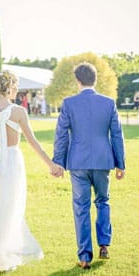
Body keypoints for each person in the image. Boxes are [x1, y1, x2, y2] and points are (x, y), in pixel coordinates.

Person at [0, 70, 61, 275]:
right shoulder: (19, 111)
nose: (17, 90)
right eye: (16, 86)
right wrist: (51, 164)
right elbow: (32, 141)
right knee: (10, 207)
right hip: (12, 162)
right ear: (10, 87)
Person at [52, 62, 125, 270]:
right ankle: (104, 245)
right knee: (103, 201)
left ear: (78, 81)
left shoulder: (68, 103)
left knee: (81, 208)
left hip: (78, 164)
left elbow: (61, 135)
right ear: (95, 79)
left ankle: (85, 256)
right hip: (103, 162)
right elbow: (117, 135)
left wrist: (59, 161)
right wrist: (120, 164)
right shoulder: (109, 103)